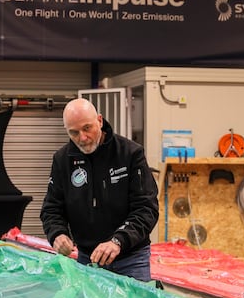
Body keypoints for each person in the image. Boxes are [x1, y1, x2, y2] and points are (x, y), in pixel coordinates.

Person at [40, 98, 159, 281]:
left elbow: (146, 209)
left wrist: (118, 241)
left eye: (87, 128)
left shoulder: (130, 154)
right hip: (88, 259)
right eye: (74, 132)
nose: (82, 138)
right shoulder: (62, 160)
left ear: (100, 121)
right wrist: (57, 234)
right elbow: (51, 208)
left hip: (130, 258)